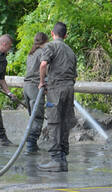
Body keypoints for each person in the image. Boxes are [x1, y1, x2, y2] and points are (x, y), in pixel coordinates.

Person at [38, 22, 77, 172]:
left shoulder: (51, 46)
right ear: (66, 35)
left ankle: (55, 159)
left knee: (54, 122)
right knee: (65, 121)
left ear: (52, 33)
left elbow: (43, 65)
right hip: (69, 89)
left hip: (56, 88)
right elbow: (74, 75)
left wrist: (42, 82)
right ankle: (63, 159)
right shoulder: (70, 51)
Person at [23, 32, 49, 155]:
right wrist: (43, 82)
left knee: (32, 117)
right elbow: (44, 68)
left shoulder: (31, 53)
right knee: (37, 117)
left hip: (26, 87)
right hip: (35, 87)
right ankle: (31, 145)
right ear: (46, 41)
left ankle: (31, 143)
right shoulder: (42, 52)